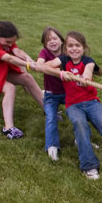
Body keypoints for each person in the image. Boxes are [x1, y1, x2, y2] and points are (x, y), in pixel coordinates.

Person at [36, 31, 102, 179]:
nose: (74, 49)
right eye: (70, 46)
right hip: (73, 105)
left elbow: (88, 71)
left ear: (84, 47)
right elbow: (44, 66)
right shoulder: (62, 59)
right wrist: (59, 73)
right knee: (80, 127)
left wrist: (85, 78)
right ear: (65, 48)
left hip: (91, 102)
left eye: (77, 45)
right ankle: (89, 166)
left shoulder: (88, 61)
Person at [36, 27, 66, 162]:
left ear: (61, 40)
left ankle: (82, 140)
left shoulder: (67, 53)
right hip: (51, 95)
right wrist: (54, 68)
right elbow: (39, 65)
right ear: (44, 44)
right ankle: (52, 146)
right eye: (48, 40)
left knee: (80, 115)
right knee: (50, 118)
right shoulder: (44, 53)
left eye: (55, 38)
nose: (52, 42)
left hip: (68, 93)